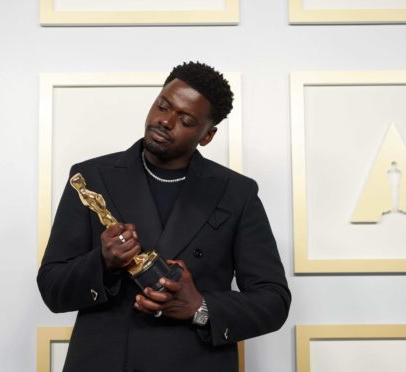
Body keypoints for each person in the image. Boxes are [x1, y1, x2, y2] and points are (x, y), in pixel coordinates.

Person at [37, 61, 291, 372]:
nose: (165, 121)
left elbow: (273, 301)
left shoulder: (236, 193)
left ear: (207, 135)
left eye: (185, 119)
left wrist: (200, 307)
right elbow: (52, 288)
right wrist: (104, 263)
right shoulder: (90, 179)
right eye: (162, 105)